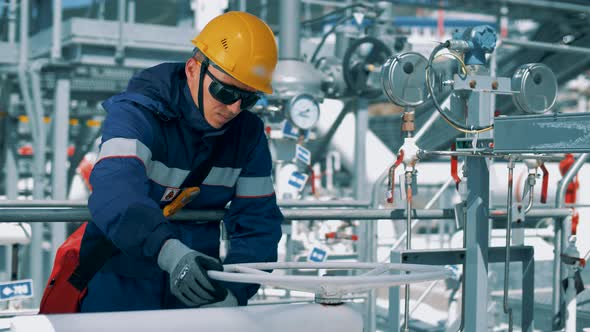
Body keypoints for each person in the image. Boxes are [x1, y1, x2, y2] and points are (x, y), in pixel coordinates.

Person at [80, 11, 283, 312]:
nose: (234, 107)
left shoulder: (248, 135)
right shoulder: (137, 114)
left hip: (197, 289)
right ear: (192, 69)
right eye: (224, 90)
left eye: (249, 99)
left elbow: (258, 223)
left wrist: (234, 292)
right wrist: (172, 254)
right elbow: (115, 193)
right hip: (120, 282)